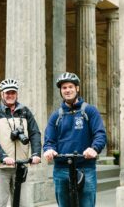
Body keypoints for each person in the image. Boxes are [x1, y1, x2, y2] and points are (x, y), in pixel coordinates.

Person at [43, 72, 107, 207]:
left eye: (70, 87)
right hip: (61, 168)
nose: (67, 90)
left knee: (87, 204)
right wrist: (49, 149)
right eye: (64, 88)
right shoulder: (56, 115)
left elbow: (100, 134)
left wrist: (94, 148)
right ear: (61, 91)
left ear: (77, 88)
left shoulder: (89, 111)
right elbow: (49, 139)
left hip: (85, 167)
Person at [0, 78, 42, 207]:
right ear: (2, 94)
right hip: (2, 167)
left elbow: (34, 133)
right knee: (0, 203)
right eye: (7, 93)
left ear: (17, 94)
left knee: (23, 204)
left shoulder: (25, 111)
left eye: (13, 92)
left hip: (21, 166)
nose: (10, 95)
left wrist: (36, 154)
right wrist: (3, 156)